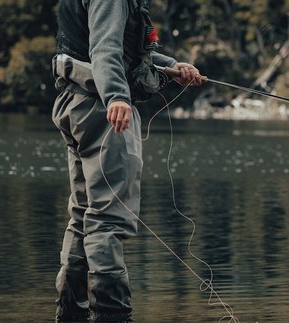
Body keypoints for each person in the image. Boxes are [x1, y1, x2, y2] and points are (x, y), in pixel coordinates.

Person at [51, 0, 203, 321]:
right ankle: (112, 315)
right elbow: (105, 47)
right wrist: (117, 96)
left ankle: (71, 313)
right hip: (102, 109)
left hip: (75, 100)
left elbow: (120, 46)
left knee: (83, 215)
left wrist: (172, 66)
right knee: (109, 217)